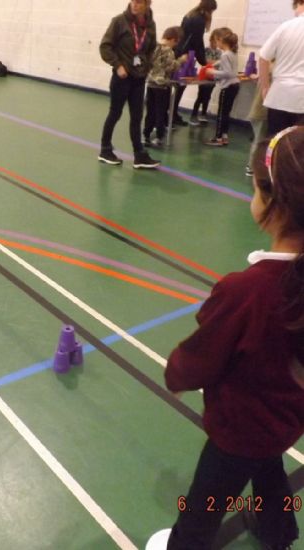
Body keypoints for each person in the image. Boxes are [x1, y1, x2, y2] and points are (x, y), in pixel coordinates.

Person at [149, 125, 304, 549]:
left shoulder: (248, 290)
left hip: (240, 426)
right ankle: (278, 531)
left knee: (204, 504)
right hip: (287, 416)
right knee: (268, 467)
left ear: (273, 202)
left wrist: (177, 373)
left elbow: (201, 357)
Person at [98, 0, 160, 169]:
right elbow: (105, 47)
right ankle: (105, 150)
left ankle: (139, 155)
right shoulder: (119, 21)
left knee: (137, 116)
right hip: (122, 77)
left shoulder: (150, 25)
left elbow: (151, 49)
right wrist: (118, 65)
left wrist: (146, 67)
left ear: (147, 4)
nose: (134, 5)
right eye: (133, 1)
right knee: (115, 113)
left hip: (139, 78)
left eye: (139, 2)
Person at [259, 0, 304, 134]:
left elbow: (263, 58)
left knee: (276, 141)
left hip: (279, 95)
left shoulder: (286, 27)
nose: (294, 12)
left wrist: (265, 87)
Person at [172, 0, 218, 126]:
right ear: (209, 9)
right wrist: (203, 61)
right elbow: (197, 42)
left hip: (180, 52)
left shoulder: (189, 15)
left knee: (178, 86)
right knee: (180, 86)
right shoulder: (199, 20)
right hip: (185, 55)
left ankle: (172, 113)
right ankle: (171, 115)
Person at [143, 26, 186, 148]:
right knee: (160, 112)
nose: (175, 45)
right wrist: (181, 61)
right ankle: (159, 137)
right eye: (176, 42)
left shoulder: (153, 47)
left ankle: (146, 135)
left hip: (151, 83)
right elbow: (170, 67)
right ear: (172, 39)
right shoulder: (168, 51)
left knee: (150, 111)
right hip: (162, 86)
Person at [204, 30, 239, 146]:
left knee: (221, 113)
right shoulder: (232, 53)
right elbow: (228, 67)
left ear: (221, 41)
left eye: (216, 41)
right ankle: (224, 136)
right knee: (226, 113)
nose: (216, 44)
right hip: (234, 85)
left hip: (228, 86)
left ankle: (218, 138)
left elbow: (228, 73)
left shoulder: (225, 55)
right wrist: (216, 64)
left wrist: (212, 71)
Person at [189, 28, 223, 125]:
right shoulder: (206, 50)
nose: (215, 43)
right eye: (214, 41)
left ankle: (203, 114)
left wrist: (214, 63)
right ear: (211, 40)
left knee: (207, 97)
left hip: (213, 76)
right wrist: (215, 62)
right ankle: (193, 115)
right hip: (204, 76)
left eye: (217, 41)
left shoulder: (219, 52)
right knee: (200, 96)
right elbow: (206, 62)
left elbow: (218, 64)